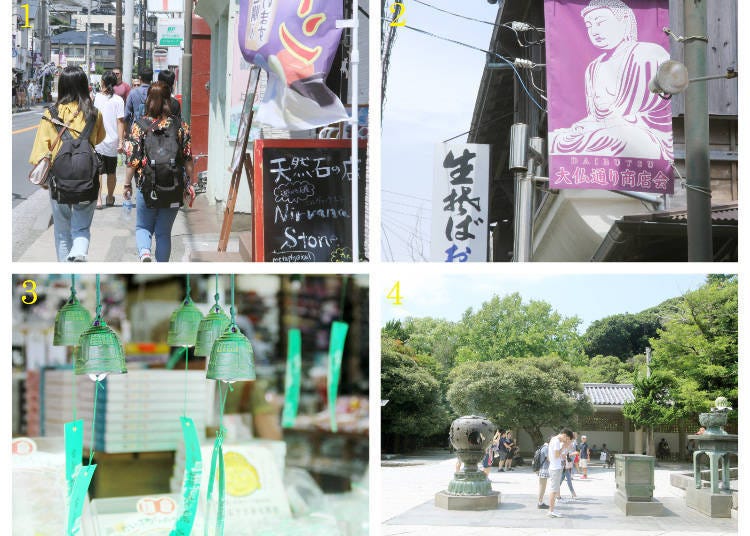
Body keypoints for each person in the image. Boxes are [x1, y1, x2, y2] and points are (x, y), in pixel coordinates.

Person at [549, 0, 672, 160]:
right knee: (558, 139)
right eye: (589, 25)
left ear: (624, 21)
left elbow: (654, 112)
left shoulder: (648, 54)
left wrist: (609, 125)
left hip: (641, 135)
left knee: (615, 138)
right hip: (603, 132)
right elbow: (595, 116)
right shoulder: (593, 68)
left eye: (601, 22)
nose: (594, 31)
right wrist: (581, 127)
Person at [29, 66, 105, 261]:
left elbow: (39, 152)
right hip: (87, 179)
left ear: (62, 86)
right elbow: (97, 140)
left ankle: (66, 269)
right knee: (81, 228)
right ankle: (79, 254)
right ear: (84, 86)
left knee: (62, 231)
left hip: (59, 181)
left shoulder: (50, 113)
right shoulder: (94, 113)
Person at [123, 81, 196, 262]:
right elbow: (187, 158)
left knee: (143, 227)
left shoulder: (139, 125)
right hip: (173, 186)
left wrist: (126, 184)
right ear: (169, 100)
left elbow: (133, 161)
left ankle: (145, 253)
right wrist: (190, 183)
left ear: (149, 100)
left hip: (146, 185)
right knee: (163, 233)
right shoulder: (180, 125)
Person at [93, 71, 126, 208]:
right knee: (111, 172)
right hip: (112, 141)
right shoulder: (119, 100)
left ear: (104, 83)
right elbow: (120, 122)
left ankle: (99, 200)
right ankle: (110, 197)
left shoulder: (97, 97)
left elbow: (94, 119)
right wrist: (121, 141)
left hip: (98, 140)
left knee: (98, 172)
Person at [547, 428, 574, 518]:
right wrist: (564, 447)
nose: (566, 441)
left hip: (555, 467)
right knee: (553, 490)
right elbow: (557, 455)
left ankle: (552, 510)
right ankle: (551, 511)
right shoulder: (556, 441)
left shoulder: (555, 440)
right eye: (566, 439)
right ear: (564, 435)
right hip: (555, 468)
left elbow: (556, 455)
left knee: (554, 489)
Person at [536, 441, 550, 509]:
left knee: (542, 486)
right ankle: (540, 503)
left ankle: (540, 502)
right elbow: (549, 459)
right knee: (542, 487)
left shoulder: (543, 447)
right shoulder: (546, 448)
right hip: (544, 469)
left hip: (542, 468)